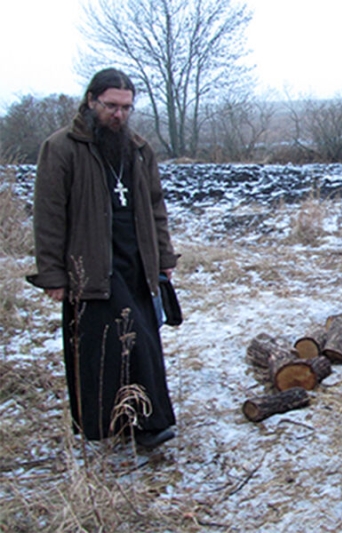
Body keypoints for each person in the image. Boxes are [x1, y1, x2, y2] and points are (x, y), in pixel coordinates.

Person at [27, 68, 179, 449]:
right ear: (91, 101)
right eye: (111, 106)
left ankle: (142, 421)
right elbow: (48, 215)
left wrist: (163, 256)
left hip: (136, 262)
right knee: (105, 347)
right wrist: (53, 275)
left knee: (139, 339)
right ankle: (127, 425)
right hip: (90, 266)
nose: (119, 115)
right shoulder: (61, 148)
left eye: (126, 107)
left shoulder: (139, 149)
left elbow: (156, 207)